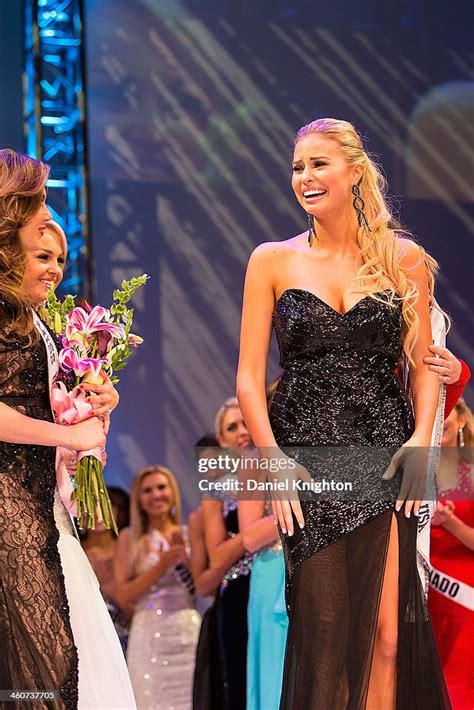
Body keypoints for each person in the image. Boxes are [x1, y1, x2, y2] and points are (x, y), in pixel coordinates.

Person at [236, 119, 451, 708]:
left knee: (386, 639)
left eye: (317, 164)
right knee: (325, 633)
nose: (304, 177)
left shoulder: (403, 260)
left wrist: (422, 446)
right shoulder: (271, 260)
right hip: (311, 467)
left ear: (355, 171)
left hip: (385, 458)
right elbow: (249, 382)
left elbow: (425, 361)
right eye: (297, 166)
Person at [0, 149, 135, 709]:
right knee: (40, 671)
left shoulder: (37, 320)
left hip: (43, 513)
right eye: (41, 202)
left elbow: (50, 404)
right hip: (8, 514)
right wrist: (68, 436)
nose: (54, 268)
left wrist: (99, 400)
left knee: (64, 665)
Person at [115, 465, 201, 709]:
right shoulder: (129, 539)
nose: (156, 495)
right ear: (139, 500)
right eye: (147, 490)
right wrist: (160, 567)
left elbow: (206, 588)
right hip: (149, 634)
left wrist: (185, 557)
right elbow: (123, 596)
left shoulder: (188, 533)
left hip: (187, 633)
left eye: (161, 487)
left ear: (172, 492)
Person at [200, 398, 253, 710]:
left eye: (246, 422)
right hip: (238, 592)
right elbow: (217, 557)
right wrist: (253, 532)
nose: (242, 432)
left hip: (280, 584)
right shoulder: (216, 488)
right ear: (221, 441)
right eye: (232, 427)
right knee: (241, 682)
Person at [429, 399, 474, 708]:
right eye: (435, 408)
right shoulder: (415, 472)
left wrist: (451, 523)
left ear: (461, 419)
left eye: (449, 407)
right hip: (424, 594)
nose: (441, 415)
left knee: (458, 684)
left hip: (464, 598)